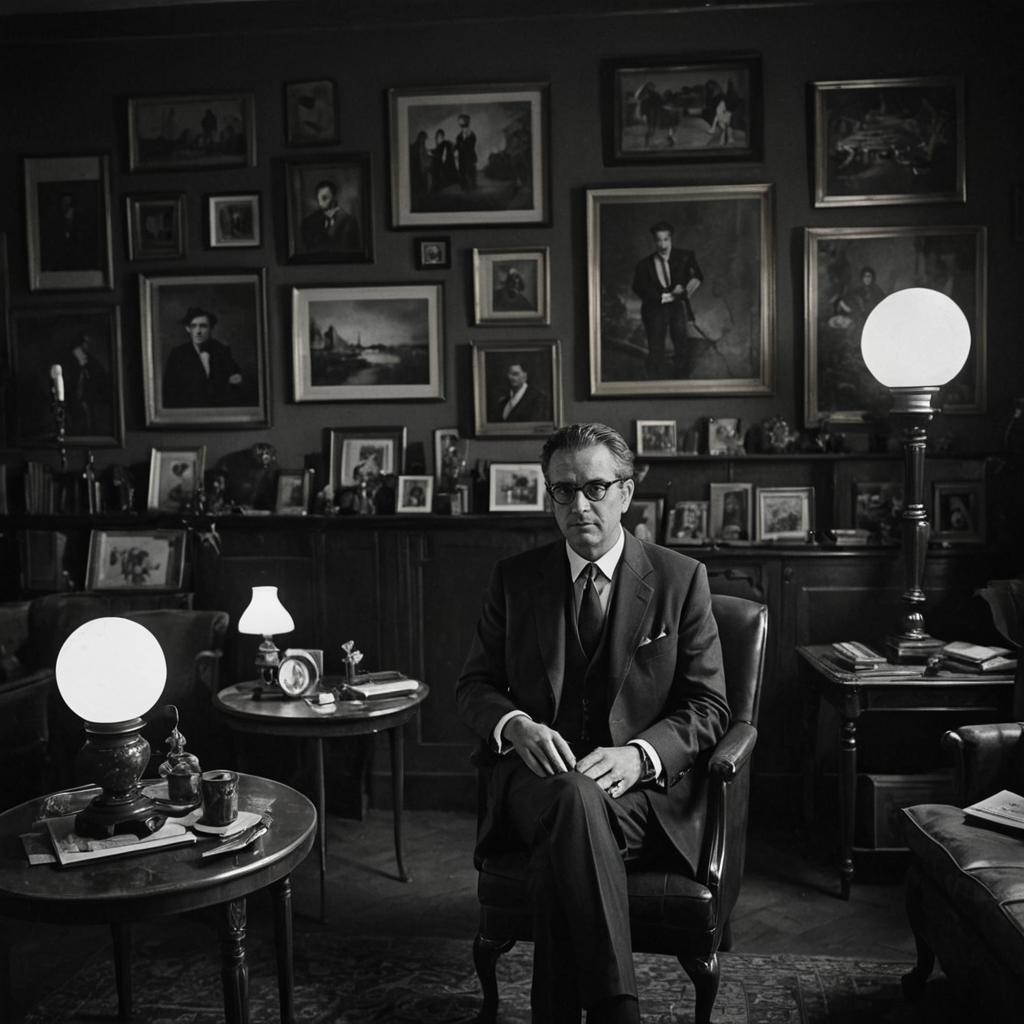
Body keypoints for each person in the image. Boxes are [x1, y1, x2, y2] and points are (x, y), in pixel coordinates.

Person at [456, 422, 729, 1024]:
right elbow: (473, 688)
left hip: (640, 799)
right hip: (536, 785)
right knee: (572, 802)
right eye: (562, 490)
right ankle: (617, 1011)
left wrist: (640, 755)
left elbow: (709, 707)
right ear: (548, 495)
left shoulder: (681, 580)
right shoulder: (516, 579)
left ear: (626, 493)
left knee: (571, 831)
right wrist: (518, 725)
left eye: (596, 487)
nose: (579, 504)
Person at [632, 221, 703, 378]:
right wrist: (663, 297)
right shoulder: (644, 265)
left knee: (681, 345)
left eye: (665, 239)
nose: (662, 244)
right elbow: (637, 287)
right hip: (654, 309)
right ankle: (656, 385)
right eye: (658, 240)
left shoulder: (685, 256)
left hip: (678, 308)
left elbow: (697, 276)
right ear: (654, 241)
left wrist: (684, 290)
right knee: (656, 348)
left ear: (671, 239)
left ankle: (680, 383)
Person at [162, 306, 244, 408]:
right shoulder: (177, 354)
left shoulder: (222, 350)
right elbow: (169, 391)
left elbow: (237, 377)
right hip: (189, 412)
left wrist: (237, 379)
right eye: (194, 326)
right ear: (188, 329)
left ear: (211, 328)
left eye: (203, 326)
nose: (198, 331)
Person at [300, 179, 360, 253]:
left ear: (334, 197)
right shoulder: (308, 222)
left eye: (324, 198)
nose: (320, 203)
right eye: (318, 198)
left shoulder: (349, 221)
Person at [454, 113, 478, 191]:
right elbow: (457, 145)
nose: (459, 124)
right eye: (459, 122)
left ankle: (472, 186)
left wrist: (463, 143)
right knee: (462, 172)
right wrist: (454, 147)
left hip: (469, 157)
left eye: (461, 121)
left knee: (470, 172)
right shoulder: (459, 136)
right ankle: (464, 187)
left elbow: (471, 145)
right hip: (462, 157)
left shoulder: (471, 134)